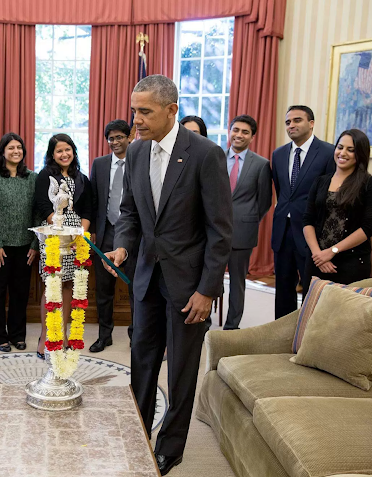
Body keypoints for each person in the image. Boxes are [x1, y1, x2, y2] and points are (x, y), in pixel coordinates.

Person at [105, 75, 232, 475]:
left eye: (145, 111)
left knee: (180, 370)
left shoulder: (205, 154)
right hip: (146, 280)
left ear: (171, 110)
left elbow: (219, 231)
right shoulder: (136, 152)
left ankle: (171, 448)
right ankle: (137, 434)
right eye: (134, 110)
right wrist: (123, 246)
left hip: (189, 286)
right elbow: (129, 213)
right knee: (141, 362)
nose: (136, 120)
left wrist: (207, 290)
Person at [271, 105, 335, 319]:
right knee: (283, 289)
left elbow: (329, 196)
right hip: (283, 231)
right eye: (288, 122)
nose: (291, 125)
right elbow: (282, 192)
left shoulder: (328, 153)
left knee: (311, 290)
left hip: (312, 233)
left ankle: (308, 332)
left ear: (311, 123)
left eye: (297, 120)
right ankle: (282, 332)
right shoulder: (278, 154)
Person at [35, 133, 93, 359]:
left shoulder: (82, 178)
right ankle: (45, 336)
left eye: (67, 149)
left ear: (73, 152)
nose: (64, 154)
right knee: (51, 285)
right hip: (53, 236)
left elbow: (88, 210)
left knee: (69, 284)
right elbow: (42, 206)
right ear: (52, 154)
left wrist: (80, 234)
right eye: (59, 150)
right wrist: (63, 228)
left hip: (76, 239)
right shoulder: (45, 176)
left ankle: (64, 334)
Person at [0, 133, 39, 352]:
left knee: (20, 293)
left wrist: (34, 244)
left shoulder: (32, 177)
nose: (16, 151)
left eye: (19, 147)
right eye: (11, 148)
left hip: (25, 246)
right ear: (2, 151)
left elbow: (38, 213)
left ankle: (17, 334)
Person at [303, 129, 372, 287]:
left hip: (350, 263)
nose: (342, 153)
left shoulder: (369, 184)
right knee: (312, 303)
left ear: (360, 154)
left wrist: (332, 251)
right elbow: (308, 220)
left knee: (344, 304)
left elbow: (368, 228)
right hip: (317, 260)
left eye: (350, 150)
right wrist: (318, 255)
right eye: (340, 147)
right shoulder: (320, 181)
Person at [88, 119, 137, 352]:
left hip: (133, 235)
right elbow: (94, 200)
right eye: (111, 138)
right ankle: (104, 335)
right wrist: (94, 230)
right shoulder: (99, 164)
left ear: (129, 137)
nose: (115, 142)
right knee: (104, 289)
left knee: (135, 288)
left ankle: (136, 336)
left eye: (119, 137)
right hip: (106, 232)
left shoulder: (139, 161)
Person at [224, 115, 272, 330]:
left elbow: (264, 201)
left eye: (245, 132)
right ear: (230, 132)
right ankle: (203, 323)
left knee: (237, 283)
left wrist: (247, 219)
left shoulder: (261, 164)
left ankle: (231, 327)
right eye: (236, 130)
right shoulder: (215, 157)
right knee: (209, 280)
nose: (239, 135)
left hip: (243, 232)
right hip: (212, 231)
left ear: (252, 137)